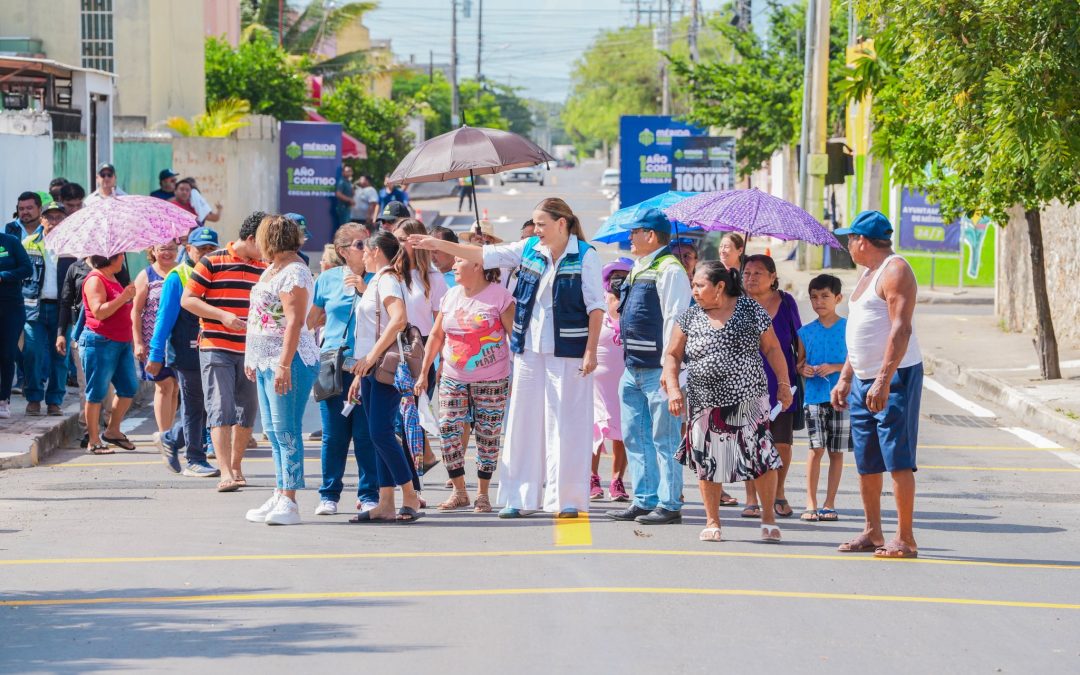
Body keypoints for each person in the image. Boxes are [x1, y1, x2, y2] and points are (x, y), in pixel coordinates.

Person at [411, 197, 605, 519]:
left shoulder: (585, 256)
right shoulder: (530, 248)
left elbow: (595, 307)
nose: (537, 229)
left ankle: (567, 499)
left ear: (562, 223)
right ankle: (520, 496)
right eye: (535, 224)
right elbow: (483, 254)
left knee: (566, 424)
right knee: (522, 423)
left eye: (542, 224)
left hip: (568, 351)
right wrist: (435, 243)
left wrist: (590, 351)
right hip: (529, 349)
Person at [663, 261, 793, 543]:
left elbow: (772, 348)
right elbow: (672, 355)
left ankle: (768, 518)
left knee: (759, 459)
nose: (694, 291)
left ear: (719, 286)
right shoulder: (689, 317)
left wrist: (783, 384)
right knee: (708, 462)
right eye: (693, 285)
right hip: (704, 403)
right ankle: (712, 521)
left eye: (700, 285)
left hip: (748, 400)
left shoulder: (749, 310)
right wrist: (673, 388)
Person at [831, 211, 923, 559]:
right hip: (863, 378)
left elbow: (901, 329)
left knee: (897, 456)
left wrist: (883, 379)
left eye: (850, 239)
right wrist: (845, 376)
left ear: (862, 241)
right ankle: (872, 531)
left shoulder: (895, 271)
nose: (848, 245)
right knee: (867, 458)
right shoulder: (867, 274)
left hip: (895, 376)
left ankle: (905, 538)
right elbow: (862, 332)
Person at [608, 208, 693, 525]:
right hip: (632, 367)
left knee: (664, 439)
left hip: (658, 370)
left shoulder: (670, 269)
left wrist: (670, 374)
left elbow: (676, 319)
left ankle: (669, 504)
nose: (629, 237)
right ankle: (644, 499)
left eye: (635, 231)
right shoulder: (640, 266)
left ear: (651, 235)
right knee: (635, 436)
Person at [414, 254, 515, 512]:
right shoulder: (450, 295)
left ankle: (483, 493)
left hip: (492, 378)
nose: (454, 266)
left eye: (460, 261)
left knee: (488, 435)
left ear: (478, 265)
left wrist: (517, 376)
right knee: (448, 429)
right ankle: (459, 491)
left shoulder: (500, 297)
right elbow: (437, 334)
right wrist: (425, 372)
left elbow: (514, 338)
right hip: (452, 376)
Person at [181, 211, 268, 492]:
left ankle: (237, 464)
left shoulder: (264, 267)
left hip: (251, 350)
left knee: (247, 411)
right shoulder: (212, 261)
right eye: (265, 241)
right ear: (252, 238)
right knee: (221, 409)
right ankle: (225, 472)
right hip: (215, 346)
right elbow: (188, 300)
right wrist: (222, 316)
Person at [243, 215, 320, 526]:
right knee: (272, 432)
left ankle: (290, 498)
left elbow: (294, 322)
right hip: (264, 360)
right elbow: (259, 318)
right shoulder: (272, 270)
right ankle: (279, 490)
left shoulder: (295, 273)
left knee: (286, 429)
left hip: (290, 361)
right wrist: (253, 357)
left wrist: (284, 364)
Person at [347, 231, 425, 524]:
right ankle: (385, 502)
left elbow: (399, 319)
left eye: (364, 250)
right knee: (375, 434)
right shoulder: (376, 281)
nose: (362, 256)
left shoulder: (388, 278)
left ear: (376, 251)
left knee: (380, 433)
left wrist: (371, 356)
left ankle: (409, 494)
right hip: (371, 367)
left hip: (383, 365)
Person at [307, 223, 379, 516]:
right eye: (361, 245)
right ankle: (329, 494)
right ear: (342, 251)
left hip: (367, 363)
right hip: (333, 363)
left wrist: (364, 291)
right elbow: (311, 320)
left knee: (365, 434)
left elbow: (387, 319)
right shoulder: (327, 279)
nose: (367, 249)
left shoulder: (379, 279)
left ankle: (369, 493)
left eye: (369, 243)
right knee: (334, 434)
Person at [146, 228, 221, 477]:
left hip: (213, 346)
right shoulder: (177, 276)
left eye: (212, 249)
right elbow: (163, 319)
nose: (206, 254)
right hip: (185, 350)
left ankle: (172, 437)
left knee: (210, 404)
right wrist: (155, 355)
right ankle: (195, 459)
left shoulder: (217, 272)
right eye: (201, 249)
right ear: (188, 249)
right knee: (194, 404)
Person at [740, 254, 802, 520]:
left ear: (773, 276)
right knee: (749, 442)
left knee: (782, 443)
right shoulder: (736, 303)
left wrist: (802, 363)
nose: (751, 278)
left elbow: (799, 337)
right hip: (744, 383)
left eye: (758, 273)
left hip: (780, 380)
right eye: (747, 273)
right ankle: (751, 497)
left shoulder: (786, 302)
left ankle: (778, 491)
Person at [797, 274, 851, 522]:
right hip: (814, 397)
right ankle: (811, 502)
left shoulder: (849, 328)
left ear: (838, 298)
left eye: (825, 296)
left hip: (841, 399)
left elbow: (857, 362)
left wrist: (836, 367)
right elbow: (800, 362)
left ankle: (829, 502)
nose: (819, 301)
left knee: (836, 452)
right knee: (815, 448)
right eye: (814, 297)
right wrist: (803, 369)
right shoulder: (805, 332)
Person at [79, 253, 139, 454]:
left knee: (129, 387)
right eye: (120, 256)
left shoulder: (114, 277)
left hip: (121, 342)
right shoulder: (95, 279)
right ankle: (94, 440)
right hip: (100, 341)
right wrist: (124, 297)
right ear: (110, 259)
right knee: (96, 393)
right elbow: (99, 312)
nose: (123, 259)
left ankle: (113, 431)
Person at [21, 201, 75, 416]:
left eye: (58, 217)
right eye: (49, 217)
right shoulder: (28, 243)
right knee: (32, 352)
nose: (54, 222)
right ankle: (34, 397)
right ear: (41, 219)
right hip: (34, 306)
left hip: (63, 308)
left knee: (60, 356)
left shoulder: (73, 245)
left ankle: (54, 400)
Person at [132, 242, 180, 448]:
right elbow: (136, 311)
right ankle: (164, 434)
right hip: (154, 340)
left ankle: (167, 433)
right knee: (164, 385)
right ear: (152, 251)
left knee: (175, 386)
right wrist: (138, 342)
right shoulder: (146, 275)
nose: (167, 253)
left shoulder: (182, 272)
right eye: (162, 249)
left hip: (178, 339)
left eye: (171, 248)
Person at [591, 259, 632, 502]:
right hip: (596, 380)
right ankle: (591, 477)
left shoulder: (635, 305)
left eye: (624, 276)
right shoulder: (598, 302)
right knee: (594, 429)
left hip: (625, 377)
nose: (619, 280)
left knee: (622, 431)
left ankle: (617, 480)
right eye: (615, 276)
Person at [0, 231, 32, 418]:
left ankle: (4, 399)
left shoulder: (10, 242)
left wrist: (4, 276)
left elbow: (27, 269)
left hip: (11, 308)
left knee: (7, 353)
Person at [334, 165, 356, 234]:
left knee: (347, 227)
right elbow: (338, 194)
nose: (349, 173)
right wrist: (349, 200)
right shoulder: (342, 181)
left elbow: (352, 193)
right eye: (347, 171)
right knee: (344, 228)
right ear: (343, 172)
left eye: (350, 171)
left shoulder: (348, 182)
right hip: (342, 208)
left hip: (347, 208)